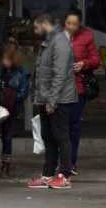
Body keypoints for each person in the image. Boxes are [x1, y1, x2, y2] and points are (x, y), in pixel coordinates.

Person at [26, 13, 77, 190]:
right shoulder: (49, 40)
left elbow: (60, 74)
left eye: (35, 27)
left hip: (59, 99)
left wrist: (52, 100)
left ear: (43, 24)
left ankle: (64, 175)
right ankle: (47, 174)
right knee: (48, 136)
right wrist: (41, 98)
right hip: (47, 98)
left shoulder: (59, 41)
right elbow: (42, 72)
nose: (34, 30)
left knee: (61, 136)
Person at [63, 8, 100, 175]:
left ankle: (71, 162)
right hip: (60, 88)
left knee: (74, 125)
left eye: (75, 24)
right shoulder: (57, 36)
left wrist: (83, 64)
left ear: (80, 24)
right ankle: (60, 161)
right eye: (68, 23)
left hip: (78, 87)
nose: (71, 27)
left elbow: (96, 60)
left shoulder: (87, 36)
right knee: (60, 126)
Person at [0, 42, 29, 179]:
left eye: (9, 59)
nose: (6, 62)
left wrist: (11, 96)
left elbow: (24, 91)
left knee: (7, 137)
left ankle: (5, 167)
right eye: (5, 58)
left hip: (11, 108)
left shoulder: (21, 71)